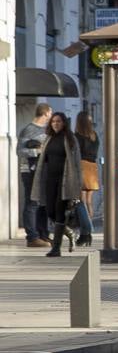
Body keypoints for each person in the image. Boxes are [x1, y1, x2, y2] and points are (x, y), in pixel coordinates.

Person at [30, 111, 83, 257]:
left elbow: (76, 163)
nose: (55, 124)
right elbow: (44, 160)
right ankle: (70, 233)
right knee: (50, 212)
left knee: (59, 212)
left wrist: (77, 185)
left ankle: (56, 248)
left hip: (65, 181)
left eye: (58, 121)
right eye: (53, 121)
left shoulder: (70, 139)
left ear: (64, 123)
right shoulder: (49, 138)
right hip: (50, 180)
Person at [17, 103, 52, 247]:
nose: (51, 117)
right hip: (30, 172)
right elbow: (20, 151)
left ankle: (43, 234)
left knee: (43, 203)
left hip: (43, 171)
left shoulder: (47, 130)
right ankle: (32, 237)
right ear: (45, 113)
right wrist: (37, 151)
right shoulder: (29, 130)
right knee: (32, 203)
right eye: (50, 114)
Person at [74, 112, 100, 247]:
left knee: (81, 201)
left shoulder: (77, 136)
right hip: (92, 167)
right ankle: (88, 232)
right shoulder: (94, 136)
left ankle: (86, 231)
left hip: (82, 167)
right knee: (89, 201)